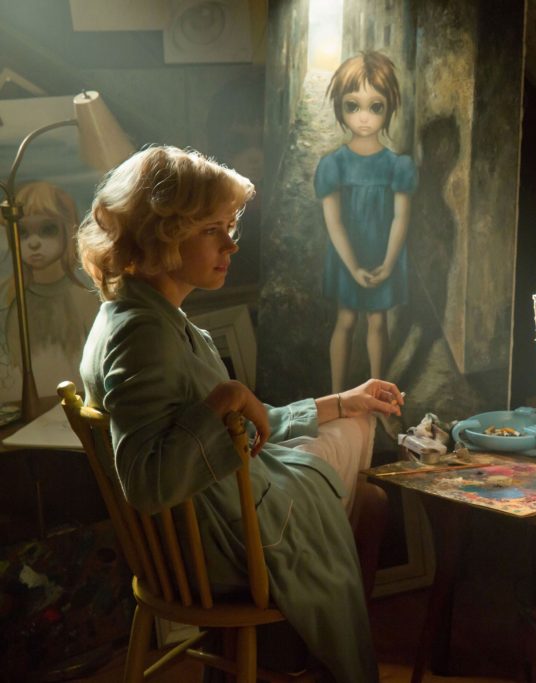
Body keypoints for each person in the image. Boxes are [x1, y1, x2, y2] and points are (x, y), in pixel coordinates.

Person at [76, 145, 401, 682]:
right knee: (371, 502)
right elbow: (148, 482)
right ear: (160, 235)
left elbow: (240, 426)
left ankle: (290, 657)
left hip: (212, 518)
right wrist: (228, 397)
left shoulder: (140, 314)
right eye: (211, 230)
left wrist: (342, 401)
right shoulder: (142, 335)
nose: (230, 245)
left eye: (229, 227)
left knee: (355, 432)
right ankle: (318, 665)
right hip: (214, 549)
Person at [317, 49, 417, 392]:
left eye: (375, 107)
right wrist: (353, 266)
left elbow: (401, 218)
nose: (363, 117)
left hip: (381, 252)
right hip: (348, 253)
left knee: (377, 321)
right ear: (340, 107)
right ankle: (336, 397)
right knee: (345, 320)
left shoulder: (397, 166)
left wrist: (388, 264)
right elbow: (334, 223)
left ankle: (379, 397)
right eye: (352, 106)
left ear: (389, 108)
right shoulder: (333, 164)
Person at [0, 181, 99, 398]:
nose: (34, 243)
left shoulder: (84, 299)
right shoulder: (15, 304)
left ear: (67, 230)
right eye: (23, 233)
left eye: (47, 230)